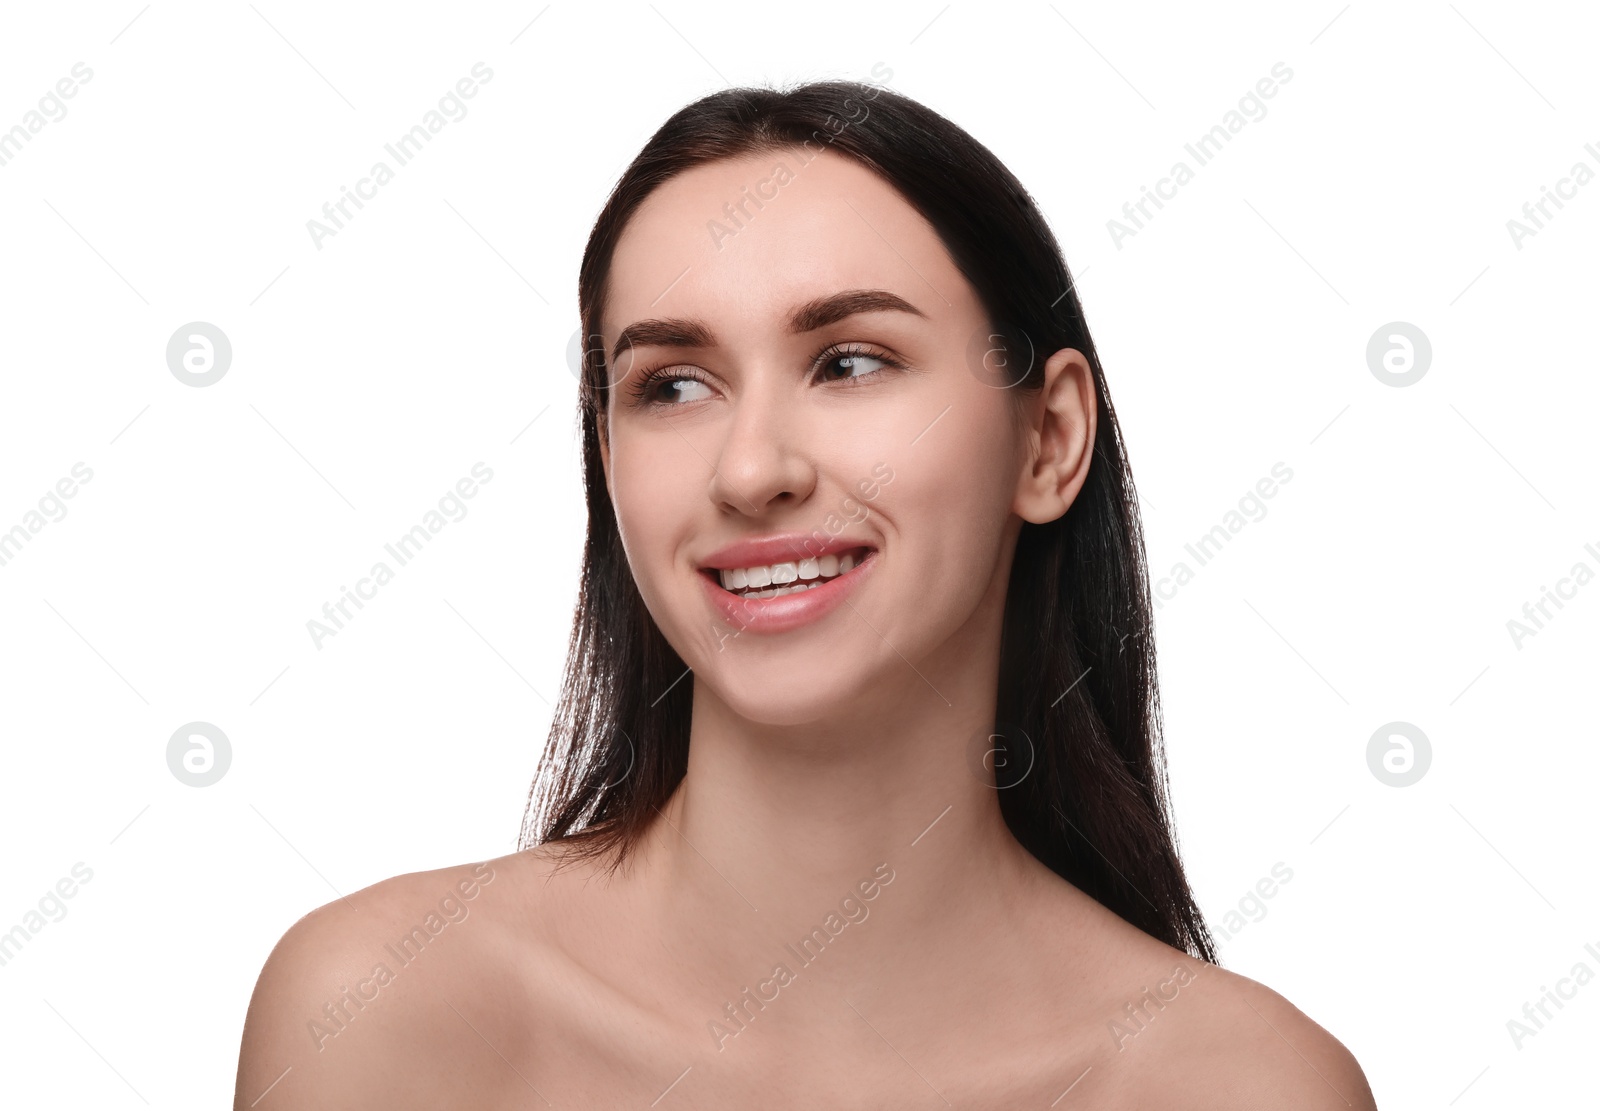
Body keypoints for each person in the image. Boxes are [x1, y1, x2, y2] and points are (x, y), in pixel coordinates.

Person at [234, 79, 1377, 1108]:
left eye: (849, 362)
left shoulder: (1242, 1087)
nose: (750, 469)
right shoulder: (380, 1017)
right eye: (671, 385)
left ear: (1049, 438)